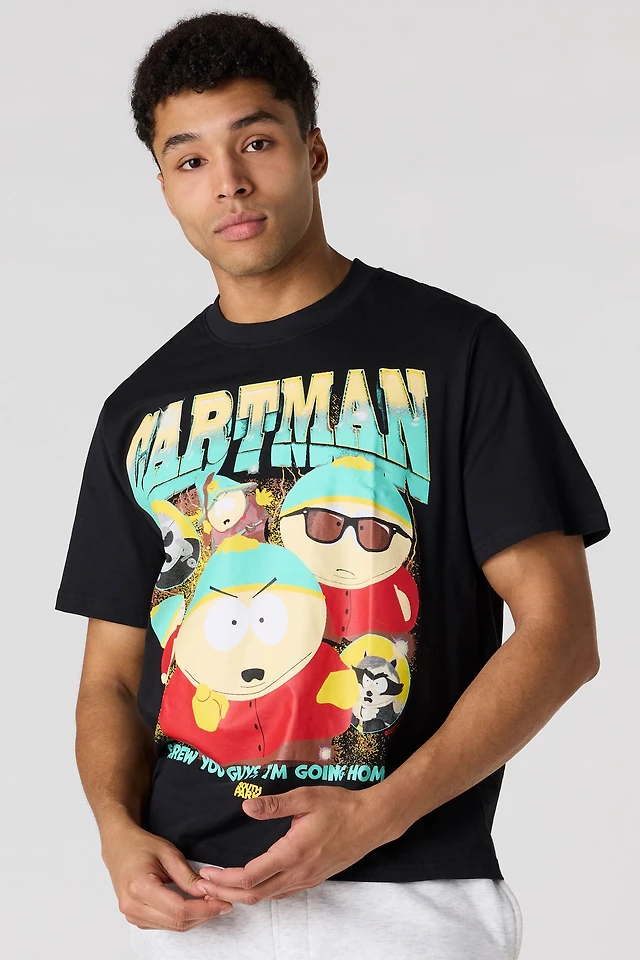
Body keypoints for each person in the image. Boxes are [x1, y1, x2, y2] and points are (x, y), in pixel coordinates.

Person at [54, 10, 610, 960]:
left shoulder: (459, 352)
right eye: (189, 159)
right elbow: (109, 676)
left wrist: (377, 815)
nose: (228, 182)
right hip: (197, 907)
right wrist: (115, 832)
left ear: (313, 152)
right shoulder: (138, 409)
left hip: (404, 896)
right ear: (164, 186)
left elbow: (560, 636)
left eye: (256, 142)